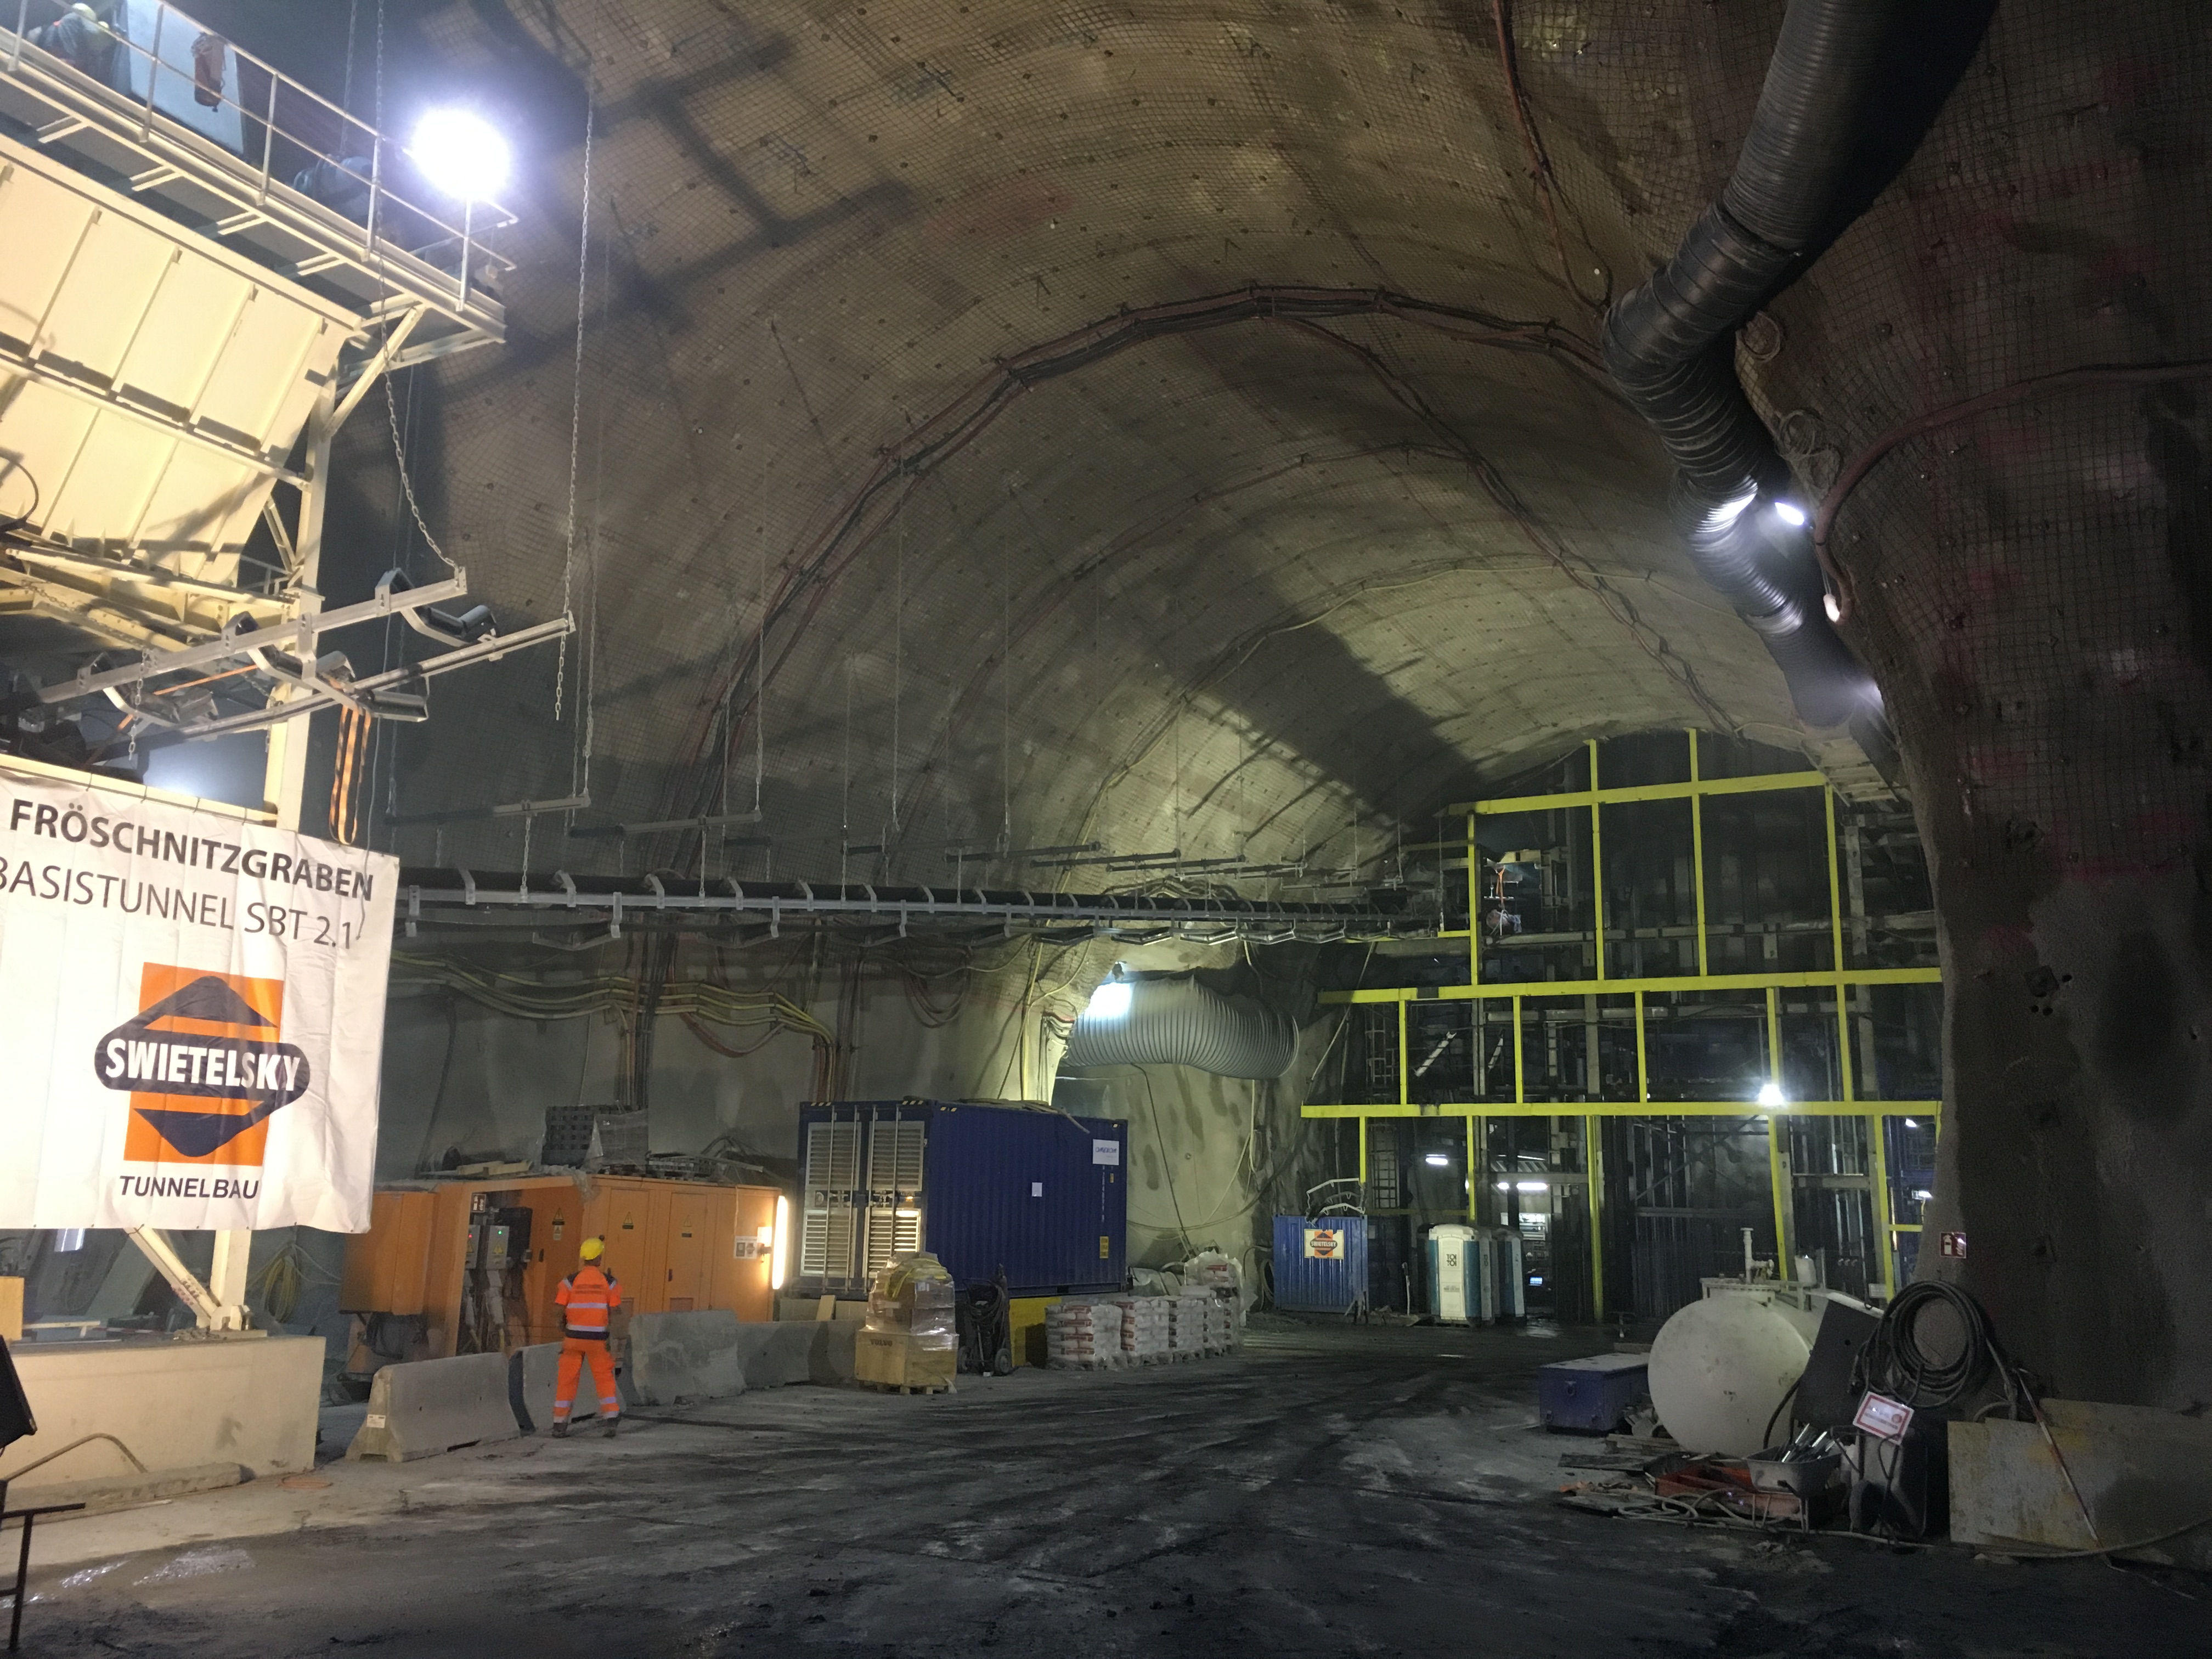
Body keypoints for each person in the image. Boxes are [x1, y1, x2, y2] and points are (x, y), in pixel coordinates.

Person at [551, 1237, 623, 1438]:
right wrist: (615, 1340)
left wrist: (563, 1329)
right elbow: (616, 1313)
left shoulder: (570, 1281)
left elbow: (558, 1310)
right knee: (604, 1378)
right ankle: (610, 1419)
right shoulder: (609, 1283)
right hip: (598, 1340)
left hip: (573, 1339)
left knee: (567, 1379)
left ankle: (559, 1424)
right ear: (599, 1258)